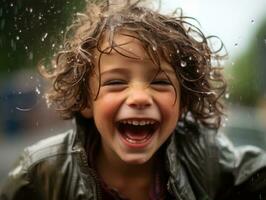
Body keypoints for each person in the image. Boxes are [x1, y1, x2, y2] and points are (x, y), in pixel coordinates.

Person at [1, 0, 266, 199]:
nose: (139, 97)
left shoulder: (207, 157)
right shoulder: (41, 174)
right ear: (85, 102)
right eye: (116, 82)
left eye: (161, 82)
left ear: (183, 101)